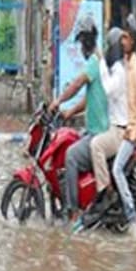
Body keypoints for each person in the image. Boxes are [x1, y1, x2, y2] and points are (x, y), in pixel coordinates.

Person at [47, 16, 109, 228]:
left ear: (87, 40)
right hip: (97, 131)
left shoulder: (95, 62)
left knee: (71, 156)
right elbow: (88, 99)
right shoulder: (100, 61)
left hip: (98, 133)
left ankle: (73, 213)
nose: (81, 46)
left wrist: (58, 101)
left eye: (82, 41)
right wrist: (69, 112)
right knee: (73, 142)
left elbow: (76, 85)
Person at [112, 17, 136, 226]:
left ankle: (130, 213)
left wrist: (132, 133)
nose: (122, 40)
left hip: (131, 133)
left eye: (126, 37)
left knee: (117, 169)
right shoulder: (124, 64)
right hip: (122, 125)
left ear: (134, 41)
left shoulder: (135, 68)